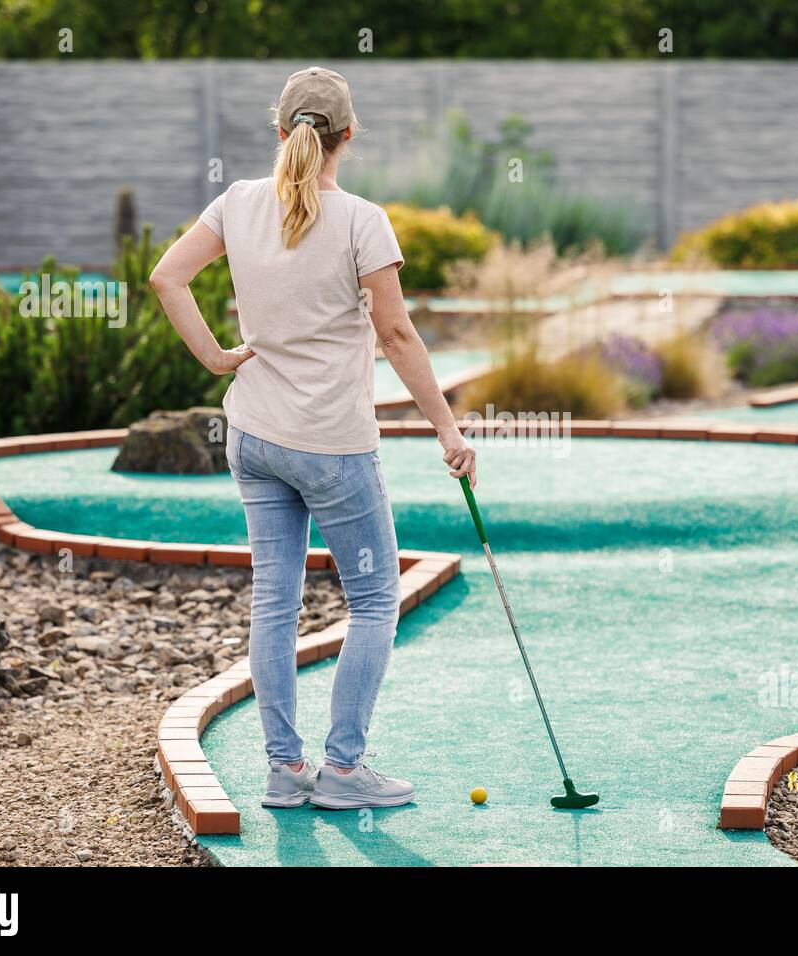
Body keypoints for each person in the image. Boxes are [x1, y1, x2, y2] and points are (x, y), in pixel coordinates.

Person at [150, 66, 476, 810]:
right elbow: (395, 333)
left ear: (280, 130)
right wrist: (448, 429)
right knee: (372, 601)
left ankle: (283, 771)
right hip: (332, 449)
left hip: (255, 434)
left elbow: (168, 278)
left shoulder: (236, 203)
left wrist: (215, 357)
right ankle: (343, 769)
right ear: (348, 136)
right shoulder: (363, 219)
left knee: (275, 601)